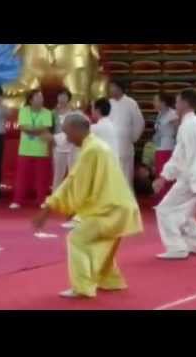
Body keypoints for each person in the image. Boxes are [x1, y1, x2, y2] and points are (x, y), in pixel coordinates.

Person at [32, 112, 142, 298]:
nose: (66, 137)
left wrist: (48, 208)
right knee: (103, 241)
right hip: (120, 207)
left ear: (77, 129)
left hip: (110, 210)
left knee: (77, 239)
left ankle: (82, 286)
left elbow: (74, 183)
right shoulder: (97, 146)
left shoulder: (92, 150)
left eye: (67, 132)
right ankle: (110, 280)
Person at [153, 89, 196, 260]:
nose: (175, 105)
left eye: (177, 101)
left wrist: (164, 176)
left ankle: (176, 247)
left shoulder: (189, 125)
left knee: (165, 210)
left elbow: (180, 156)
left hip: (192, 176)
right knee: (187, 214)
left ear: (185, 103)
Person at [10, 89, 53, 209]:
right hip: (25, 150)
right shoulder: (23, 111)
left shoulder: (47, 113)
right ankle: (17, 200)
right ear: (31, 100)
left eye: (42, 97)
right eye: (38, 97)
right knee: (21, 178)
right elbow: (24, 128)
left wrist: (32, 130)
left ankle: (41, 200)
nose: (41, 99)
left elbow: (45, 128)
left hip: (41, 150)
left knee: (41, 179)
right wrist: (37, 130)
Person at [108, 80, 145, 187]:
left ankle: (127, 201)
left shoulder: (131, 103)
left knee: (126, 177)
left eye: (113, 87)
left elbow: (139, 122)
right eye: (110, 87)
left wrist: (133, 138)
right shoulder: (108, 103)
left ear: (119, 88)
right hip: (111, 146)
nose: (110, 90)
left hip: (125, 146)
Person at [152, 93, 178, 202]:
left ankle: (168, 199)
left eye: (156, 100)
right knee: (160, 172)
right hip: (159, 146)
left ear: (163, 102)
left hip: (168, 146)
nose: (154, 103)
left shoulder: (172, 114)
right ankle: (161, 197)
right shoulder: (160, 114)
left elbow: (178, 129)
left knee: (166, 173)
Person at [51, 89, 76, 191]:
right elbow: (50, 129)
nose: (62, 98)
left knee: (73, 173)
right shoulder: (53, 113)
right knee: (58, 174)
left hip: (72, 146)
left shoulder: (74, 112)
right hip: (57, 147)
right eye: (60, 96)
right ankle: (55, 196)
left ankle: (73, 197)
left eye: (65, 96)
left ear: (68, 99)